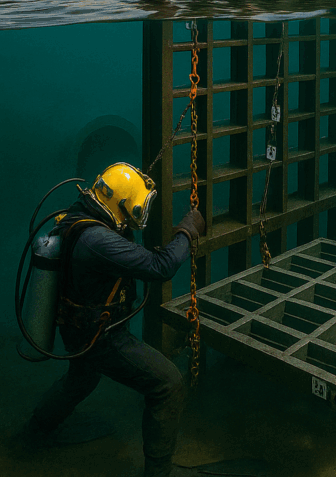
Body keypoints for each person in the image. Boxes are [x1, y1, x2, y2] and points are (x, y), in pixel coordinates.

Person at [28, 163, 205, 477]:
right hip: (100, 337)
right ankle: (159, 472)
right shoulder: (99, 241)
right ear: (121, 205)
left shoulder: (79, 213)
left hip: (74, 326)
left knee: (82, 378)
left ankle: (36, 431)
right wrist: (187, 231)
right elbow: (159, 267)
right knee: (168, 383)